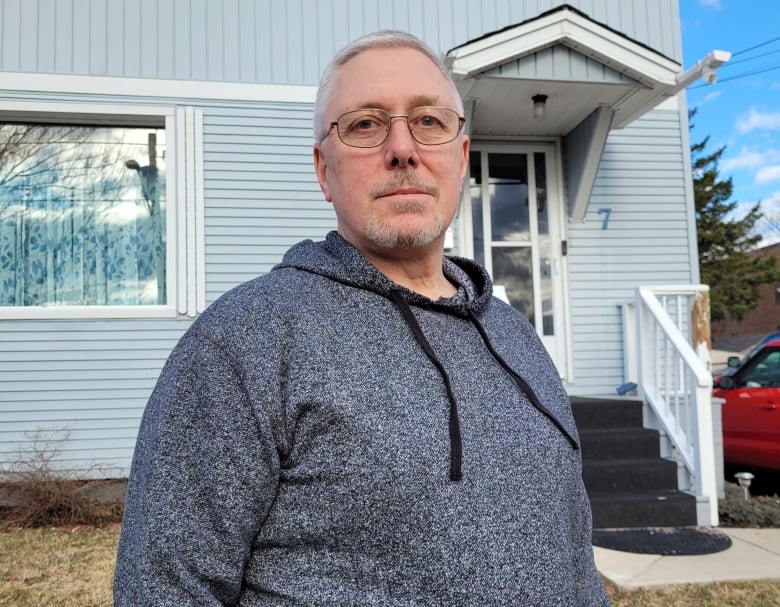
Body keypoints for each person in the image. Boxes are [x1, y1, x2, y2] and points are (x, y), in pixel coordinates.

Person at [114, 29, 610, 606]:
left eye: (429, 121)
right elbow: (164, 590)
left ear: (462, 157)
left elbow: (576, 561)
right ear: (324, 171)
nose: (403, 148)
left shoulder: (515, 337)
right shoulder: (242, 344)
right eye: (366, 125)